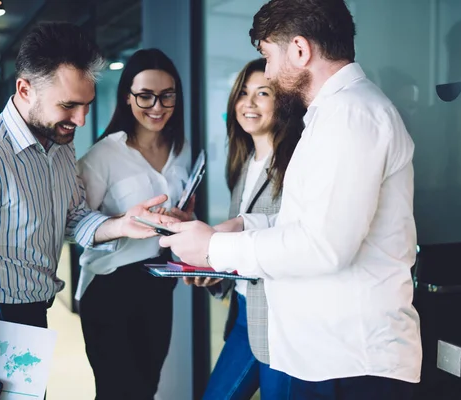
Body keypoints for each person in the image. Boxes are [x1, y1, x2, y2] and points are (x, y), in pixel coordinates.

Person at [160, 0, 422, 399]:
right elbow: (312, 225)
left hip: (348, 361)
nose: (266, 71)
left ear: (300, 51)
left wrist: (214, 246)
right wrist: (244, 224)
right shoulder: (332, 116)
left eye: (267, 56)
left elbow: (324, 246)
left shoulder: (351, 117)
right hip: (328, 355)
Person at [0, 23, 175, 400]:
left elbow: (73, 218)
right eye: (68, 105)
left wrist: (122, 224)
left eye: (86, 105)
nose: (81, 120)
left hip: (30, 317)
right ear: (25, 89)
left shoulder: (58, 145)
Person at [75, 48, 193, 400]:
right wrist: (121, 223)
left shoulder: (182, 148)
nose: (157, 107)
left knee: (146, 389)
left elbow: (186, 210)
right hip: (110, 287)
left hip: (159, 283)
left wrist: (186, 218)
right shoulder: (104, 155)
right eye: (146, 96)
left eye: (166, 96)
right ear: (128, 98)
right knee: (117, 392)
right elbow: (74, 224)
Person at [186, 58, 303, 399]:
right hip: (243, 316)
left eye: (262, 93)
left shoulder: (295, 163)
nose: (248, 103)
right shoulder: (242, 163)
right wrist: (214, 268)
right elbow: (241, 242)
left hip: (281, 323)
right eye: (243, 93)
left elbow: (293, 240)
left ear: (282, 102)